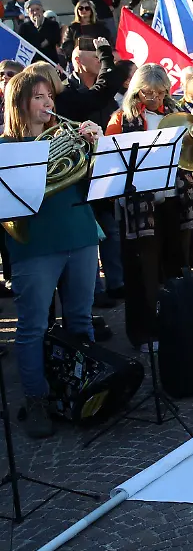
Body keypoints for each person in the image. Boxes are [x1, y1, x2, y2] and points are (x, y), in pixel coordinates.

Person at [2, 70, 103, 438]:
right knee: (32, 327)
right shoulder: (5, 148)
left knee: (81, 319)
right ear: (19, 104)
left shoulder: (67, 138)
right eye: (38, 97)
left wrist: (95, 147)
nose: (48, 104)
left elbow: (97, 185)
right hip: (36, 244)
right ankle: (37, 400)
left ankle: (89, 390)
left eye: (50, 97)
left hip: (80, 233)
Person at [106, 65, 193, 347]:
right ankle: (143, 332)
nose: (154, 98)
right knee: (143, 273)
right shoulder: (121, 119)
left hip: (174, 200)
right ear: (136, 91)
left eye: (160, 92)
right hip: (139, 206)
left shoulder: (176, 113)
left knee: (175, 266)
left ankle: (176, 325)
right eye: (147, 93)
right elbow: (111, 162)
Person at [60, 0, 112, 66]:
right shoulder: (72, 28)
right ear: (77, 10)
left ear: (91, 10)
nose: (84, 10)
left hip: (97, 59)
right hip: (78, 60)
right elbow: (66, 46)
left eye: (87, 8)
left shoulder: (101, 27)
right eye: (80, 8)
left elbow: (107, 42)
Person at [17, 0, 61, 66]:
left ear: (42, 10)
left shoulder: (53, 24)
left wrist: (40, 29)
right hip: (33, 63)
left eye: (37, 9)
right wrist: (37, 28)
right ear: (28, 13)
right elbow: (24, 44)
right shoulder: (24, 27)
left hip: (50, 61)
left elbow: (56, 39)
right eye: (32, 10)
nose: (35, 12)